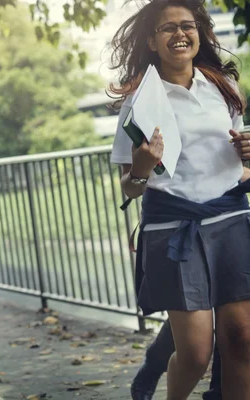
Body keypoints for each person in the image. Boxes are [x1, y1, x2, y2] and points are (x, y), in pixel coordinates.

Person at [109, 0, 250, 398]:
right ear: (152, 41)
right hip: (174, 229)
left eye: (187, 25)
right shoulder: (138, 102)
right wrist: (139, 167)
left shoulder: (223, 88)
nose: (179, 34)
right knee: (196, 351)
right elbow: (130, 186)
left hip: (230, 221)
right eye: (167, 28)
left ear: (200, 33)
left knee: (241, 338)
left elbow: (238, 165)